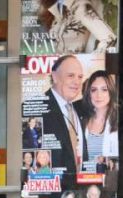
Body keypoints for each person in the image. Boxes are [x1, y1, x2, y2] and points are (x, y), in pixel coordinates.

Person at [40, 54, 87, 189]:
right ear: (54, 77)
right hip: (53, 196)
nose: (77, 82)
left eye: (80, 77)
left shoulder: (79, 108)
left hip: (80, 193)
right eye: (71, 76)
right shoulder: (35, 108)